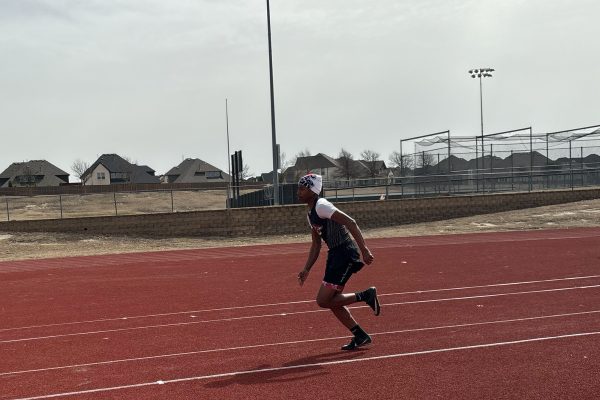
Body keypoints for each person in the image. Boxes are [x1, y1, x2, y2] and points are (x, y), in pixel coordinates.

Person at [296, 173, 380, 350]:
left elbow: (351, 222)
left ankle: (365, 295)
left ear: (312, 190)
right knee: (332, 300)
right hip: (335, 256)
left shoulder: (322, 206)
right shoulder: (311, 214)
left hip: (344, 254)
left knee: (323, 300)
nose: (299, 192)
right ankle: (360, 335)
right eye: (299, 188)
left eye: (303, 188)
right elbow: (316, 244)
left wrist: (364, 250)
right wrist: (306, 269)